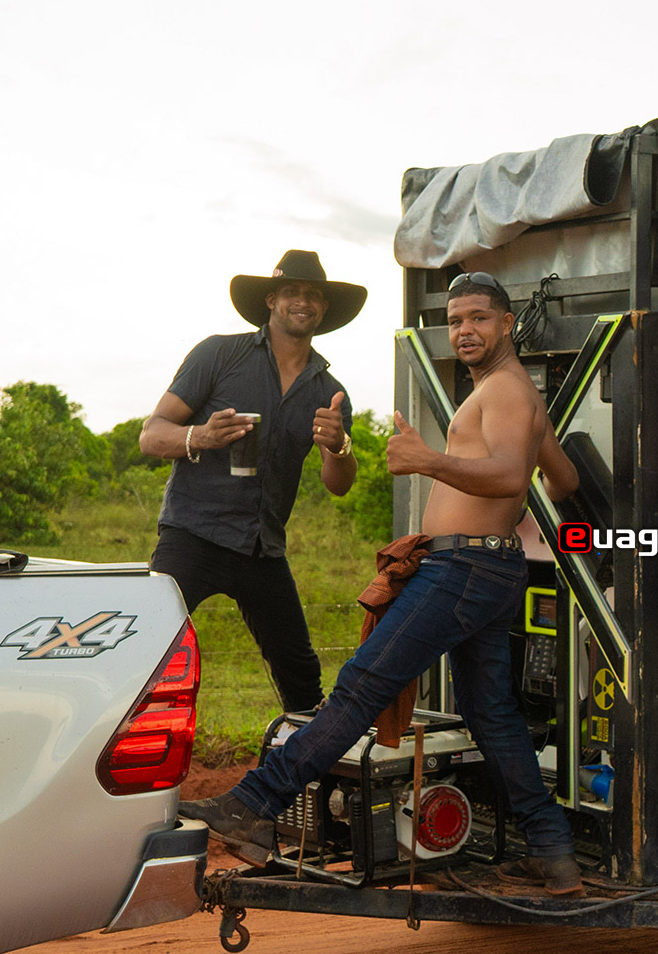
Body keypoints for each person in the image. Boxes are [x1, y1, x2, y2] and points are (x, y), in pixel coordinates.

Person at [184, 272, 589, 897]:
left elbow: (512, 477)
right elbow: (561, 480)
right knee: (492, 714)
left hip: (464, 569)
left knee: (363, 684)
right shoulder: (514, 394)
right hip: (486, 566)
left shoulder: (506, 391)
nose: (464, 331)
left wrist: (430, 461)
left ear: (508, 323)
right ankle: (553, 853)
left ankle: (256, 803)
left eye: (479, 318)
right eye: (455, 321)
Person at [137, 249, 365, 714]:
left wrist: (339, 445)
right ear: (271, 300)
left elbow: (338, 484)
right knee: (147, 653)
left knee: (301, 677)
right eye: (291, 291)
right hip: (193, 534)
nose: (303, 301)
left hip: (262, 548)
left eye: (313, 295)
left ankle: (298, 759)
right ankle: (123, 750)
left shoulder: (328, 391)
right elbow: (151, 435)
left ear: (324, 308)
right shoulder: (220, 354)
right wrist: (200, 436)